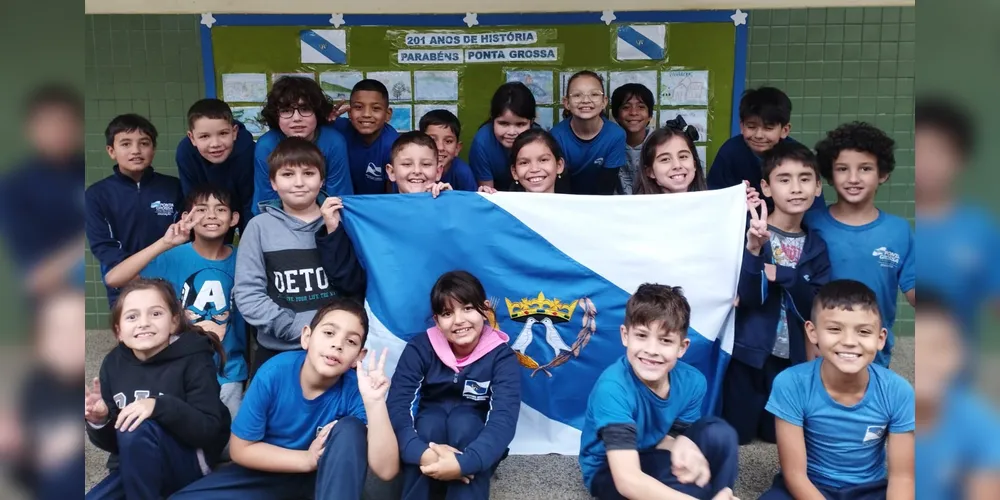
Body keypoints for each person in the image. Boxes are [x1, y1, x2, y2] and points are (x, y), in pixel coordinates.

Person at [170, 299, 399, 499]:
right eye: (329, 333)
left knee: (351, 428)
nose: (337, 344)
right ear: (307, 337)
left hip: (326, 481)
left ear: (358, 357)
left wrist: (375, 402)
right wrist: (307, 459)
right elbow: (241, 450)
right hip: (268, 472)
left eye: (351, 341)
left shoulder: (357, 389)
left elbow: (387, 471)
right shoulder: (275, 373)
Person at [579, 284, 740, 500]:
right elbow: (627, 480)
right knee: (690, 491)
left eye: (665, 340)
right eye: (642, 336)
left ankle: (724, 493)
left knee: (720, 432)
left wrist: (682, 443)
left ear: (682, 347)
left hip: (654, 446)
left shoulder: (693, 381)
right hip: (609, 467)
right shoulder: (612, 388)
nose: (652, 350)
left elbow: (677, 433)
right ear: (625, 336)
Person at [103, 186, 248, 422]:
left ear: (234, 218)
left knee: (225, 445)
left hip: (228, 371)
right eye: (201, 210)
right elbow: (114, 279)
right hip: (178, 369)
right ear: (186, 218)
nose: (211, 215)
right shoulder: (173, 257)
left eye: (220, 209)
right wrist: (165, 243)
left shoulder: (244, 257)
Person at [759, 280, 915, 500]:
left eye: (863, 331)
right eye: (834, 329)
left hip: (870, 490)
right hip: (811, 487)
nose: (849, 342)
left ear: (880, 339)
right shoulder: (790, 383)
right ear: (813, 333)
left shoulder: (898, 391)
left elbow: (903, 478)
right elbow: (795, 475)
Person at [722, 142, 830, 445]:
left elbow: (815, 306)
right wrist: (755, 252)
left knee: (775, 438)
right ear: (766, 188)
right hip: (747, 355)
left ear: (818, 187)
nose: (796, 188)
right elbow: (749, 297)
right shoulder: (750, 232)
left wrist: (783, 274)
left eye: (805, 179)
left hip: (790, 360)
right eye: (784, 179)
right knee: (738, 436)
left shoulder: (816, 246)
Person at [84, 278, 231, 499]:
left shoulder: (195, 358)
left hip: (187, 462)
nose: (143, 323)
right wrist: (101, 420)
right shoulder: (113, 364)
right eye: (132, 317)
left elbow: (209, 430)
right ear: (118, 332)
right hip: (134, 468)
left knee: (138, 427)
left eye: (155, 314)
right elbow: (115, 444)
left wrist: (158, 406)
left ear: (173, 322)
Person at [235, 137, 366, 376]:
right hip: (279, 350)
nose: (299, 183)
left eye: (308, 173)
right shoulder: (259, 227)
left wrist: (334, 231)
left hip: (337, 353)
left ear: (322, 179)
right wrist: (304, 330)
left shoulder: (343, 222)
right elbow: (248, 295)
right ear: (273, 182)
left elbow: (355, 286)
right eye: (287, 175)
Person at [387, 271, 520, 500]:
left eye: (468, 308)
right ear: (437, 321)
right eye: (447, 313)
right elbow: (397, 409)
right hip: (427, 441)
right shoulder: (420, 348)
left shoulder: (502, 357)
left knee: (465, 422)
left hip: (473, 444)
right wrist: (423, 454)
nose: (459, 320)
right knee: (429, 424)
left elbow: (503, 420)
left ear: (486, 310)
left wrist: (465, 463)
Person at [805, 122, 915, 367]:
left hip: (872, 355)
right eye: (842, 169)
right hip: (817, 351)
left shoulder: (898, 231)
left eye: (865, 168)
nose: (853, 178)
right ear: (830, 175)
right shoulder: (809, 224)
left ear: (883, 174)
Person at [914, 97, 1000, 340]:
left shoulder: (978, 229)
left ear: (960, 158)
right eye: (919, 151)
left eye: (938, 151)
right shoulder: (891, 226)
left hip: (957, 373)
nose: (927, 163)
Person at [86, 113, 182, 306]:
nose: (136, 150)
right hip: (124, 285)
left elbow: (185, 239)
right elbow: (103, 247)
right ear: (111, 150)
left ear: (153, 149)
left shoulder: (175, 188)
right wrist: (137, 278)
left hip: (171, 284)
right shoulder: (97, 194)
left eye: (144, 143)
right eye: (126, 144)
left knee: (175, 335)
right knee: (134, 334)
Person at [0, 83, 86, 297]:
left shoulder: (91, 173)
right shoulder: (15, 187)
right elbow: (36, 279)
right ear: (31, 128)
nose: (58, 131)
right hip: (56, 303)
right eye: (48, 123)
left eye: (64, 122)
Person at [914, 287, 1000, 499]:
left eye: (939, 347)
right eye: (917, 348)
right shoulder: (875, 411)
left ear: (960, 355)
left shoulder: (979, 422)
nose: (925, 361)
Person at [706, 87, 825, 212]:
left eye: (768, 128)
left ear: (785, 130)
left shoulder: (799, 157)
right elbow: (715, 200)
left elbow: (815, 208)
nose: (758, 135)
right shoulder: (730, 152)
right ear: (742, 126)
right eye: (751, 127)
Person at [252, 76, 353, 213]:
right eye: (286, 111)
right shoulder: (266, 145)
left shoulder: (334, 142)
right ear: (276, 115)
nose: (297, 118)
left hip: (323, 219)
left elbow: (340, 198)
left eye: (305, 109)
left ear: (317, 112)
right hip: (278, 222)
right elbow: (264, 202)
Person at [175, 98, 256, 239]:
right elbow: (193, 201)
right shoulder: (185, 153)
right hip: (209, 208)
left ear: (234, 132)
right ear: (192, 138)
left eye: (223, 134)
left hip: (241, 203)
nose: (215, 144)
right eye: (205, 136)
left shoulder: (248, 152)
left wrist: (250, 244)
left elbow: (249, 203)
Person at [551, 71, 627, 195]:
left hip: (600, 202)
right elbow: (561, 184)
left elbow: (607, 186)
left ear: (604, 101)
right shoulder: (556, 136)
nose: (586, 100)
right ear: (566, 103)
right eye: (577, 95)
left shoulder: (616, 135)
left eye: (594, 94)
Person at [332, 79, 399, 195]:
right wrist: (324, 119)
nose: (366, 114)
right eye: (358, 107)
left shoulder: (393, 145)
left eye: (376, 108)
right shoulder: (338, 128)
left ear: (388, 114)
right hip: (343, 204)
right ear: (349, 113)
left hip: (377, 207)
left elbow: (392, 195)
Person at [468, 82, 537, 190]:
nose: (512, 132)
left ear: (531, 122)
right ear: (493, 120)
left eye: (520, 124)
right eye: (503, 123)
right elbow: (487, 193)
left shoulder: (540, 141)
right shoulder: (482, 143)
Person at [632, 116, 707, 194]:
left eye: (683, 157)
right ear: (650, 171)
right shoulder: (641, 206)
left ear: (694, 165)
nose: (677, 165)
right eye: (665, 159)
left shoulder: (711, 204)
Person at [610, 83, 655, 195]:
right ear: (616, 116)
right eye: (626, 107)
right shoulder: (607, 145)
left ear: (649, 115)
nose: (634, 112)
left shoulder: (660, 145)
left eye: (641, 107)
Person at [419, 109, 478, 192]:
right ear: (419, 144)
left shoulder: (462, 172)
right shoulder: (412, 170)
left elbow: (471, 202)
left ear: (457, 148)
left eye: (448, 141)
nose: (440, 147)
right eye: (432, 140)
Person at [386, 131, 455, 197]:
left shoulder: (446, 203)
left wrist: (448, 201)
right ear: (392, 172)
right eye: (407, 164)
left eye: (426, 164)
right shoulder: (384, 208)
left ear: (438, 172)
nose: (417, 171)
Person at [507, 129, 569, 194]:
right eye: (524, 163)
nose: (534, 169)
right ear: (514, 172)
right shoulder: (501, 204)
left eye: (543, 160)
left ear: (559, 165)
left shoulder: (572, 204)